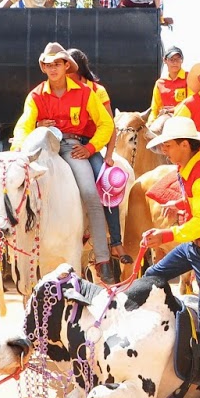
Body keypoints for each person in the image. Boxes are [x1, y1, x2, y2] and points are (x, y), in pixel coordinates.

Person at [137, 116, 200, 398]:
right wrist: (180, 206)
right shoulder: (188, 169)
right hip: (196, 248)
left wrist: (165, 234)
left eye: (168, 144)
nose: (165, 149)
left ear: (184, 144)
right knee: (152, 277)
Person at [13, 42, 115, 279]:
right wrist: (19, 149)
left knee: (90, 193)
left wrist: (90, 148)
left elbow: (106, 123)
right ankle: (15, 246)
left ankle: (102, 257)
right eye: (48, 64)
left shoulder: (84, 92)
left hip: (71, 146)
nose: (53, 68)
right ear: (43, 67)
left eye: (57, 63)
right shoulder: (36, 95)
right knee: (18, 187)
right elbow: (24, 125)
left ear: (66, 65)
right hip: (44, 147)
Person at [68, 47, 126, 262]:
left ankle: (116, 242)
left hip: (91, 143)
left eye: (67, 66)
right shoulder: (62, 89)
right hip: (66, 141)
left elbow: (109, 125)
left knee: (106, 186)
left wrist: (109, 155)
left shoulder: (97, 90)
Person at [150, 47, 188, 118]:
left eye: (178, 59)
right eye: (171, 59)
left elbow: (192, 103)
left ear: (182, 60)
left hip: (184, 119)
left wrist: (172, 110)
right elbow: (154, 109)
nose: (175, 62)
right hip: (165, 118)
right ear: (164, 60)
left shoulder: (189, 78)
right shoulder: (159, 83)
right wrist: (150, 124)